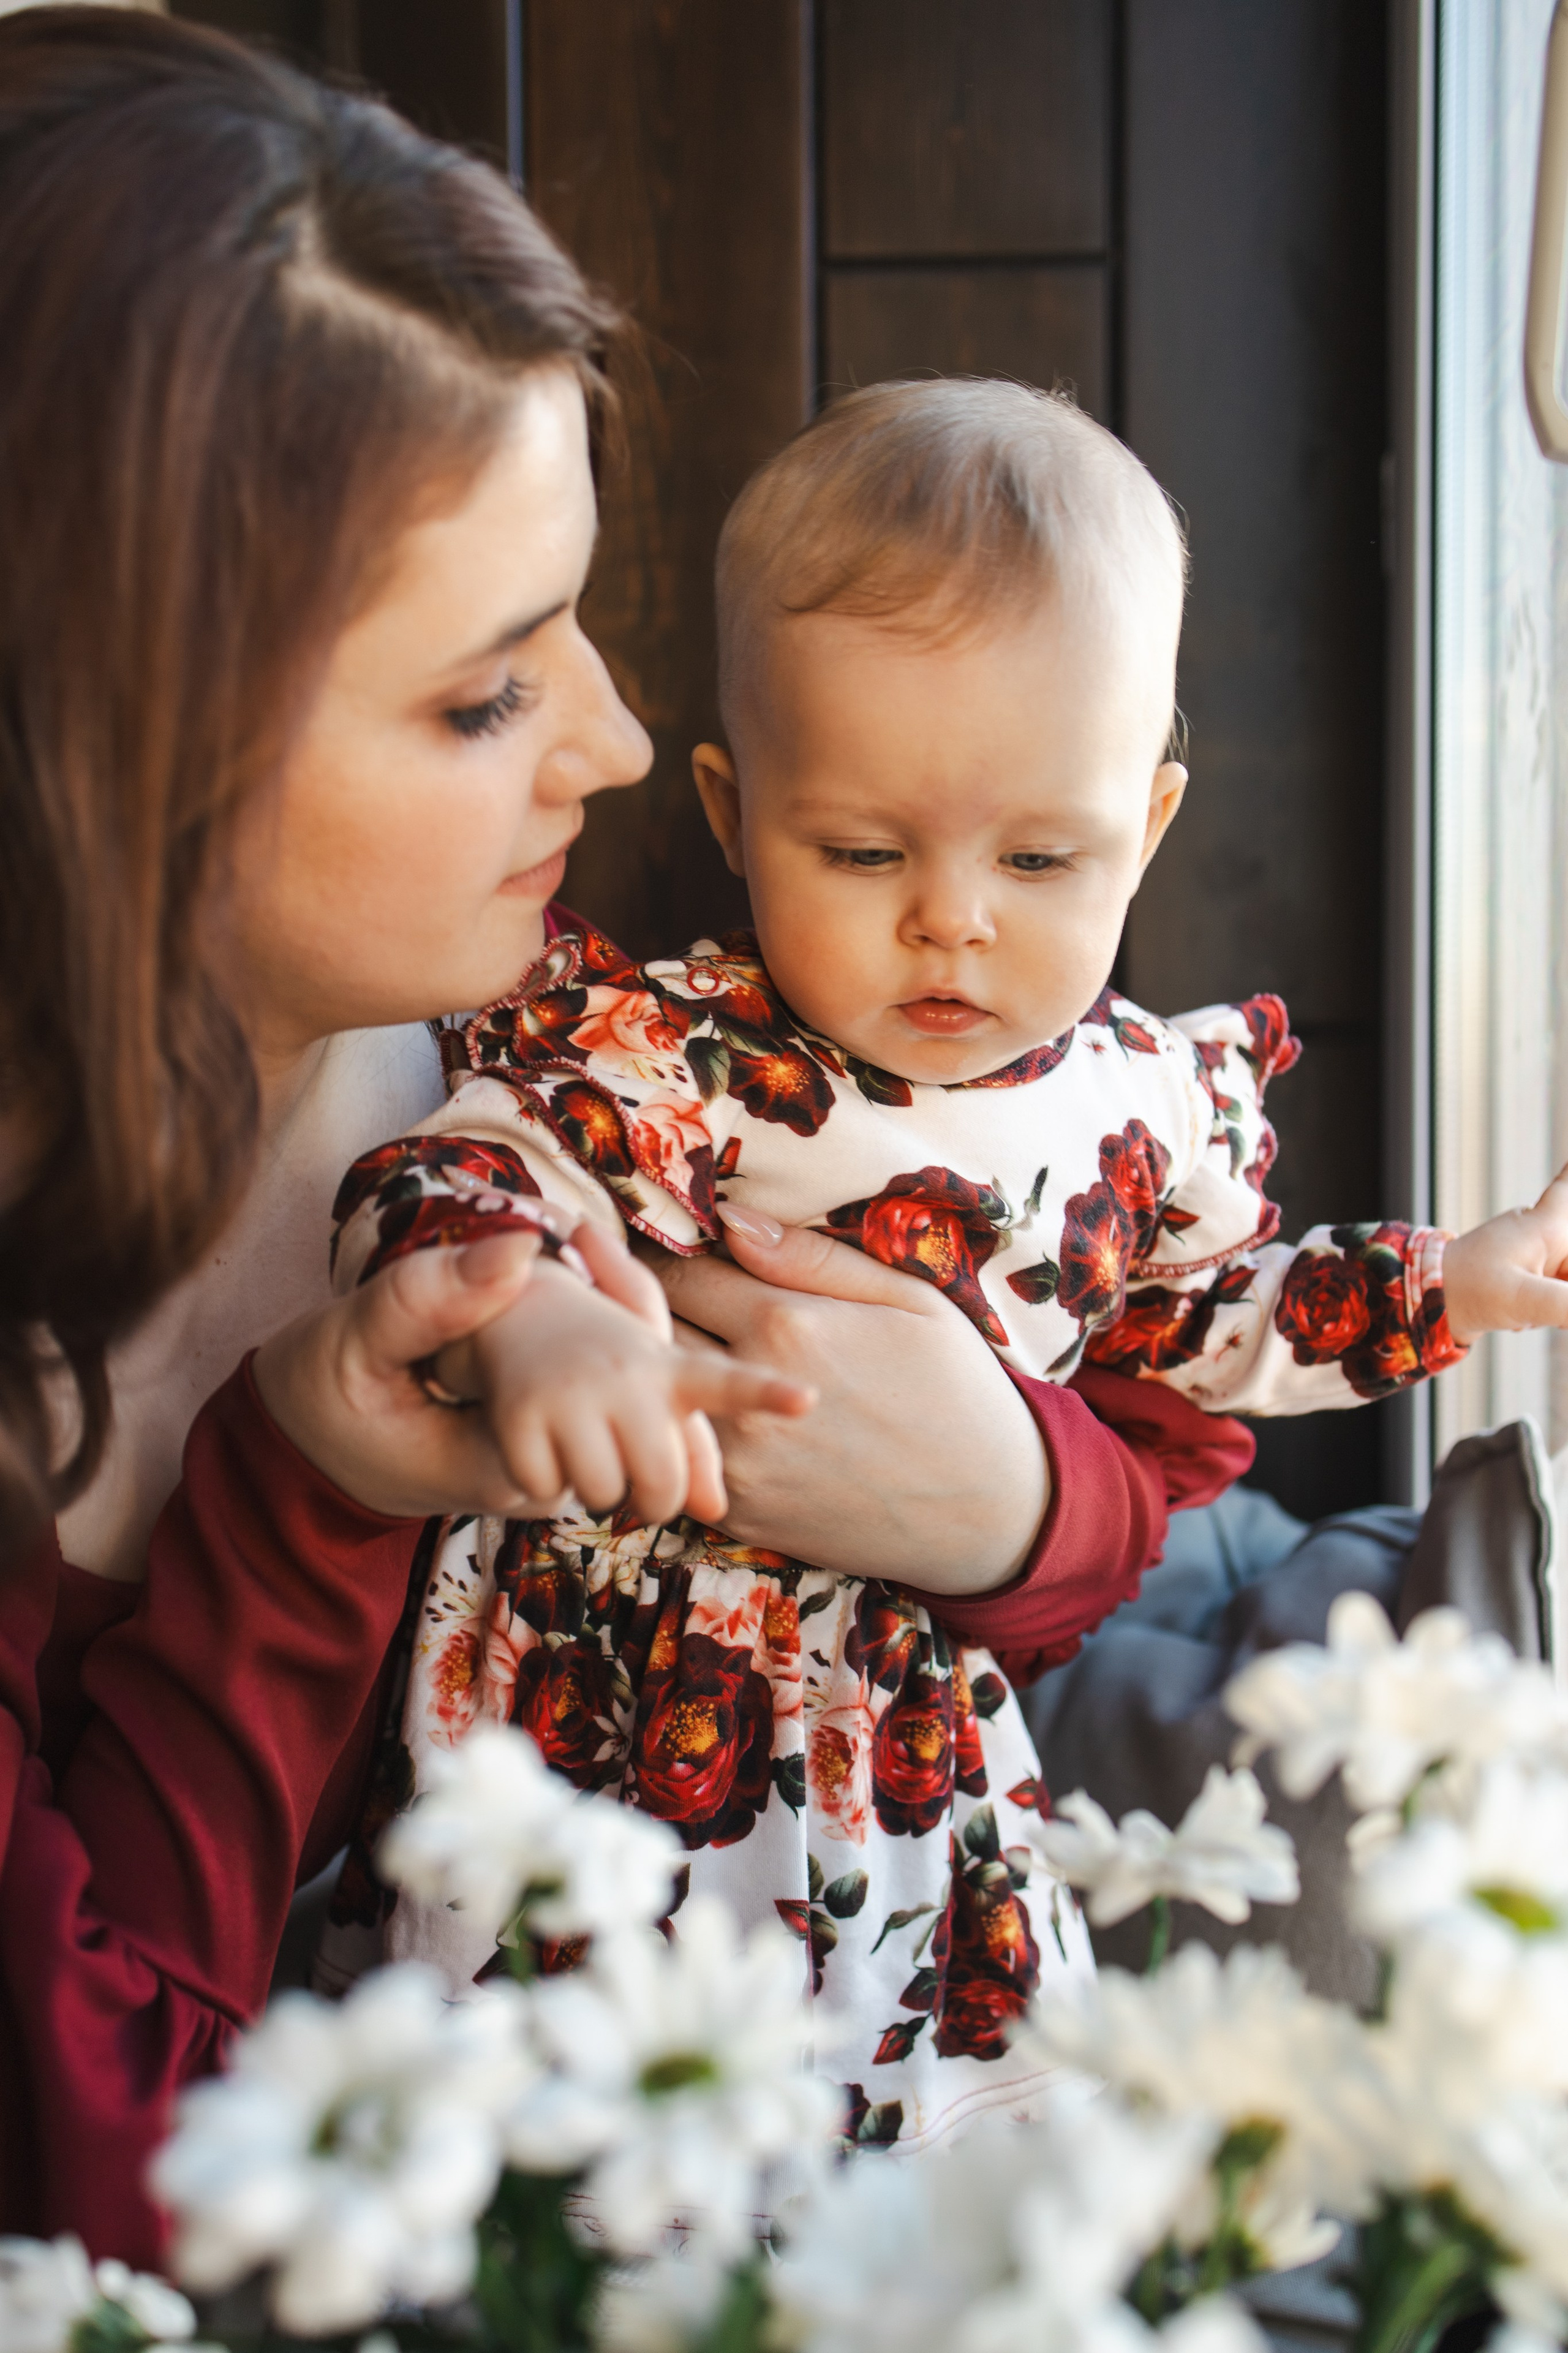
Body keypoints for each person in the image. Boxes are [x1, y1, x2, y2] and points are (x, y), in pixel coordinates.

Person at [0, 11, 1244, 2259]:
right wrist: (301, 1509)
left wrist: (1010, 1496)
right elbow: (103, 2177)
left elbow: (992, 1406)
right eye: (489, 688)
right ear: (110, 750)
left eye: (581, 611)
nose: (621, 732)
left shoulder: (523, 1020)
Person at [328, 380, 1568, 2151]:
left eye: (1043, 855)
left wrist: (1461, 1277)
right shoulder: (678, 1056)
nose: (954, 916)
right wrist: (526, 1320)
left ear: (1144, 827)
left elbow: (1214, 1329)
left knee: (946, 2190)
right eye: (861, 849)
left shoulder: (1150, 1109)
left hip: (903, 1767)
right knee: (561, 2178)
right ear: (737, 808)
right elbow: (444, 1169)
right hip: (595, 1721)